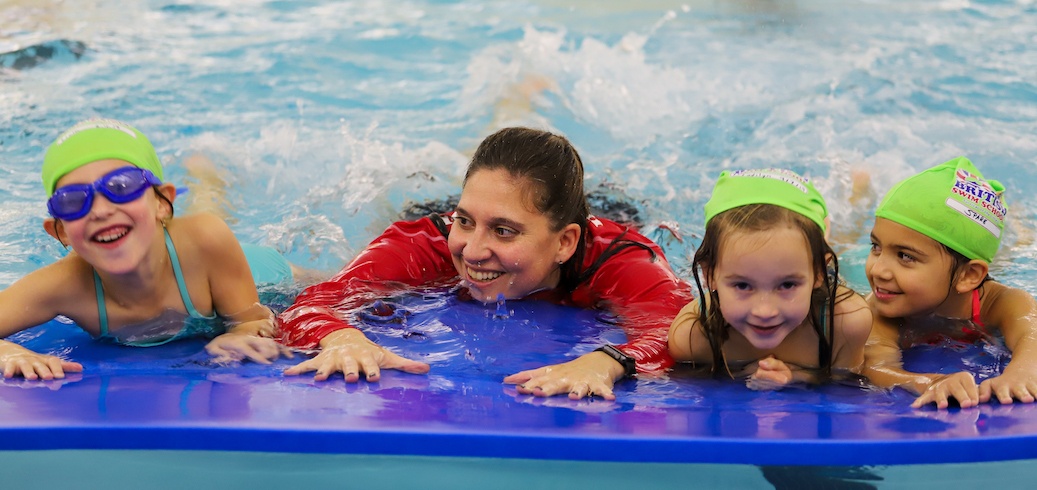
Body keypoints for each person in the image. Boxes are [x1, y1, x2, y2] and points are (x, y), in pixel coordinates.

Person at [278, 127, 693, 400]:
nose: (473, 251)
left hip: (612, 206)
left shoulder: (622, 259)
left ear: (566, 242)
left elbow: (681, 333)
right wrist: (341, 338)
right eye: (465, 221)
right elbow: (313, 304)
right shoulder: (426, 243)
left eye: (504, 231)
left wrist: (608, 361)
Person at [0, 118, 296, 380]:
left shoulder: (208, 240)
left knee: (211, 219)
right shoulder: (63, 285)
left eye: (121, 186)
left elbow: (255, 319)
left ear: (161, 201)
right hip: (178, 246)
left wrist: (239, 334)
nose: (101, 211)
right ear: (60, 231)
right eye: (72, 200)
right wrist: (8, 353)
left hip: (256, 271)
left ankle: (207, 177)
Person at [668, 169, 872, 389]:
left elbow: (845, 382)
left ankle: (857, 197)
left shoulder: (844, 323)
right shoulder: (694, 337)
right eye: (743, 285)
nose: (764, 311)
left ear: (818, 274)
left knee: (844, 245)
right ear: (709, 275)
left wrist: (797, 376)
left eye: (787, 285)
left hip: (820, 288)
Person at [862, 156, 1037, 409]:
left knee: (1013, 251)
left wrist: (1022, 372)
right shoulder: (876, 309)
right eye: (875, 247)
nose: (878, 270)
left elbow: (1032, 335)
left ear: (969, 276)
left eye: (905, 256)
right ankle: (859, 196)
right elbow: (875, 367)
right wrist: (929, 382)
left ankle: (1019, 226)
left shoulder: (1002, 302)